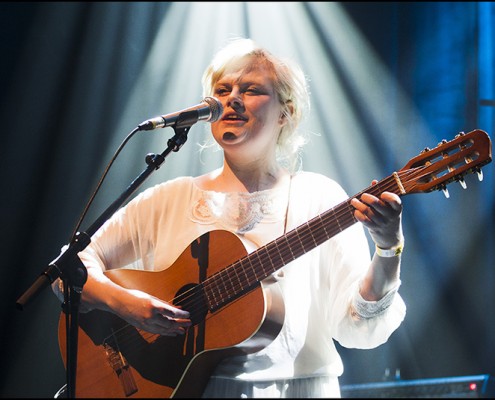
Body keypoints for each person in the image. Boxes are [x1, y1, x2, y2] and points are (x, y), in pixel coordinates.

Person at [52, 37, 406, 398]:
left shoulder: (320, 196)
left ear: (287, 112)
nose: (231, 98)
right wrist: (125, 304)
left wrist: (388, 247)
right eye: (222, 89)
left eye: (251, 89)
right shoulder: (169, 198)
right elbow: (68, 269)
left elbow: (358, 325)